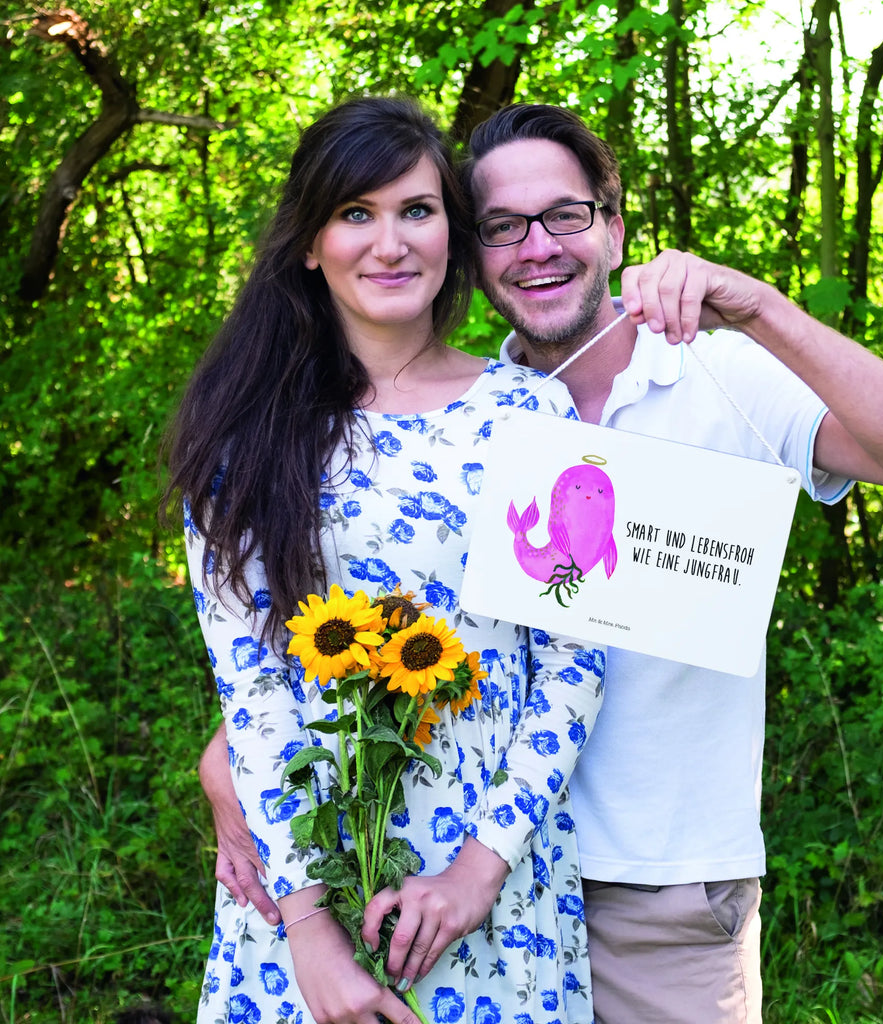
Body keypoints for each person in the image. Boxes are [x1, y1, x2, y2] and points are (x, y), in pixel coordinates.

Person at [201, 102, 883, 1024]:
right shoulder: (460, 416)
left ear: (612, 226)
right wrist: (235, 770)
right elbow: (329, 633)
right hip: (421, 876)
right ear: (474, 251)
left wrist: (760, 306)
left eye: (564, 215)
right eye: (502, 227)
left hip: (652, 889)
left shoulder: (713, 373)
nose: (536, 247)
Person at [164, 97, 608, 1024]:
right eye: (355, 214)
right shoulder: (245, 437)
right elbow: (252, 691)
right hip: (303, 888)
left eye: (416, 210)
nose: (390, 242)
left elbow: (575, 662)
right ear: (309, 244)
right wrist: (311, 936)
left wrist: (478, 873)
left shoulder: (533, 415)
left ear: (452, 228)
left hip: (492, 889)